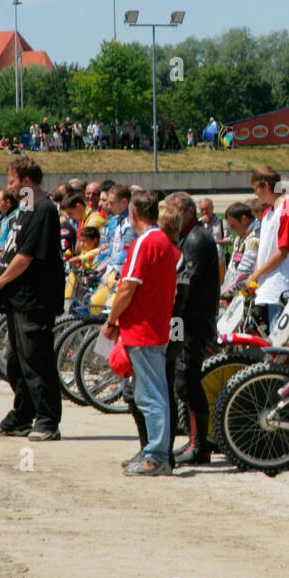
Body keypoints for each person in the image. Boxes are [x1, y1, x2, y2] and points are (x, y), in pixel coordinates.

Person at [0, 156, 65, 441]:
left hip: (36, 300)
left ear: (27, 182)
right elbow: (10, 249)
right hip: (16, 299)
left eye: (12, 182)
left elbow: (27, 256)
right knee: (15, 361)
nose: (9, 188)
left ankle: (47, 420)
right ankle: (23, 413)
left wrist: (1, 280)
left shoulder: (44, 210)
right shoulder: (25, 208)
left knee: (37, 360)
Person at [102, 192, 180, 475]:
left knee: (151, 396)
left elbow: (127, 287)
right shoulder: (161, 241)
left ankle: (157, 455)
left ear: (133, 213)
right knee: (151, 394)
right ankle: (154, 452)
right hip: (152, 327)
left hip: (144, 330)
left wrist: (111, 321)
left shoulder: (145, 242)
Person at [165, 192, 221, 465]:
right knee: (181, 381)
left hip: (192, 322)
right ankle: (193, 440)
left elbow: (186, 283)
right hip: (181, 320)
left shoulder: (198, 239)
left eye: (175, 212)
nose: (171, 217)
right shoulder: (187, 236)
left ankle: (201, 447)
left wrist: (171, 312)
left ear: (189, 212)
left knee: (187, 381)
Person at [249, 167, 289, 331]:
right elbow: (263, 251)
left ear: (265, 185)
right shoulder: (267, 213)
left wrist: (256, 274)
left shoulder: (287, 210)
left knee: (280, 346)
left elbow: (282, 253)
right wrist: (255, 277)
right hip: (266, 288)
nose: (256, 194)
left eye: (256, 189)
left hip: (281, 288)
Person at [220, 202, 260, 294]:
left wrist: (226, 294)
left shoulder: (256, 237)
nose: (232, 229)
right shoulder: (240, 237)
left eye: (233, 225)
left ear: (244, 219)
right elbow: (232, 267)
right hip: (233, 285)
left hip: (246, 289)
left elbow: (245, 272)